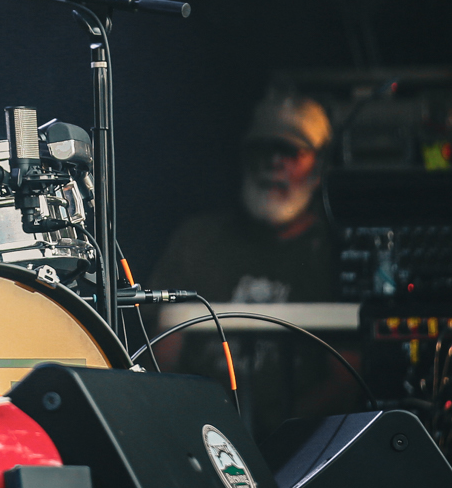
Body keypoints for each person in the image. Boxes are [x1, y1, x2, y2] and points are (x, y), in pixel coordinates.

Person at [149, 94, 354, 434]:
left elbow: (347, 381)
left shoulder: (339, 252)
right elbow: (159, 359)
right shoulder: (197, 239)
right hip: (201, 432)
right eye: (263, 148)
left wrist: (273, 435)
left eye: (290, 151)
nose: (274, 162)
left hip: (303, 446)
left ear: (319, 168)